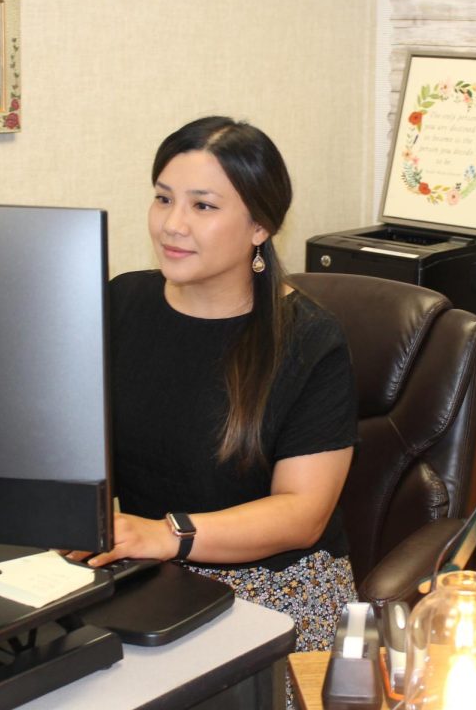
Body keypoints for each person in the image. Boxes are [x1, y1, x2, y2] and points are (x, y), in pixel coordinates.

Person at [87, 116, 359, 657]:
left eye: (202, 206)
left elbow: (302, 514)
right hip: (147, 576)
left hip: (277, 587)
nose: (172, 225)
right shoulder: (121, 303)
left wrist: (170, 535)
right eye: (164, 199)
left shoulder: (309, 340)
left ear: (259, 226)